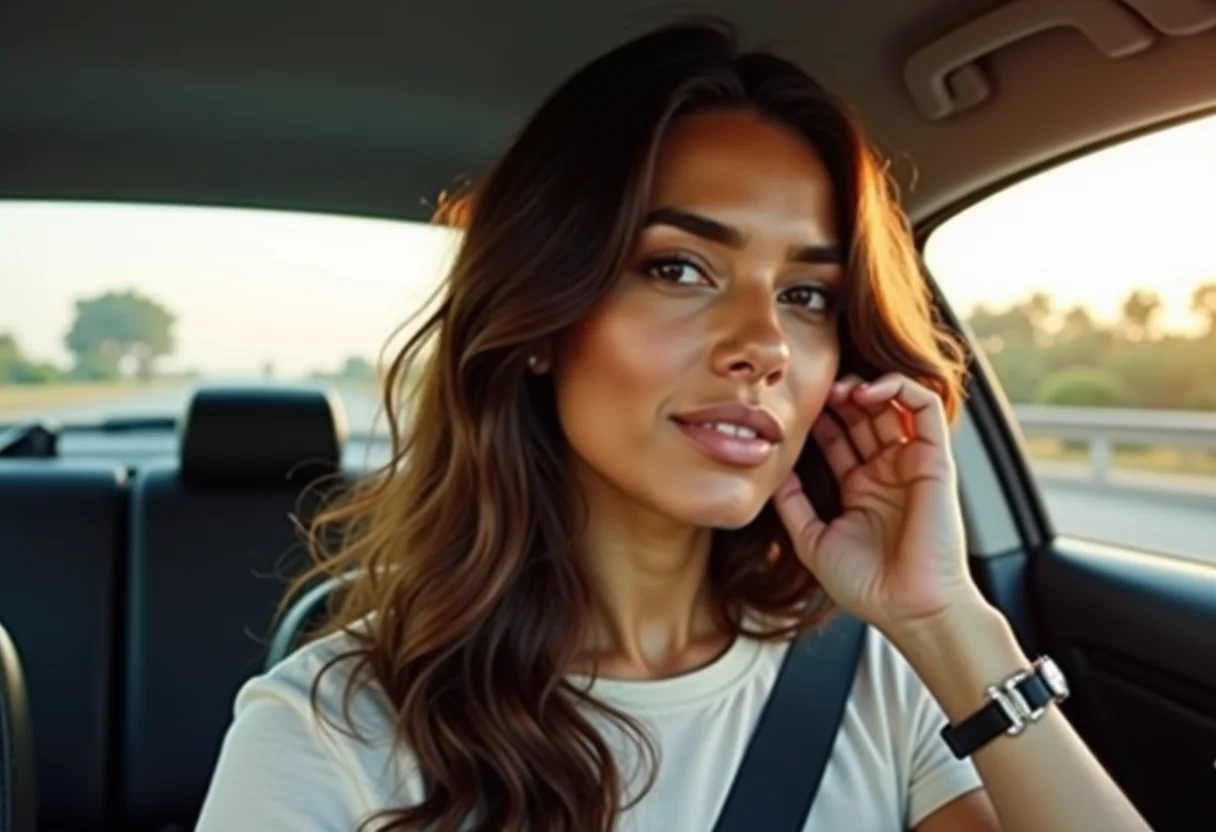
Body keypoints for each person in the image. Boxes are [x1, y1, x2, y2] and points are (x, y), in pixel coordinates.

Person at [196, 20, 1149, 832]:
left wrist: (947, 623)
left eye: (809, 293)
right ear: (541, 320)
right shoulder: (330, 731)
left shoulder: (883, 685)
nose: (764, 344)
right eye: (680, 269)